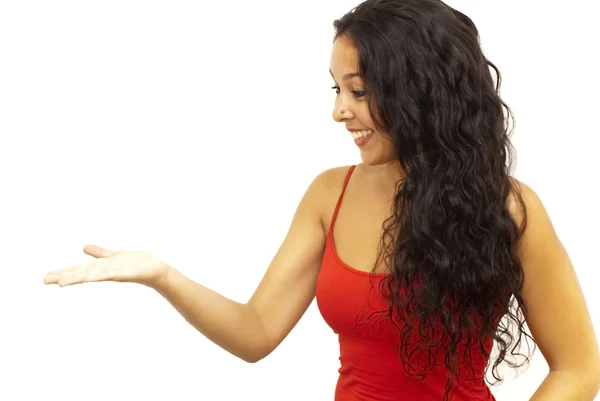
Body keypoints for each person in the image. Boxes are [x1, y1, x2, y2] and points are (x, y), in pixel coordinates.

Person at [43, 0, 600, 400]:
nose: (339, 111)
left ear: (420, 90)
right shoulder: (328, 193)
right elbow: (256, 331)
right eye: (336, 89)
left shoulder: (508, 209)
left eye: (359, 91)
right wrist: (163, 275)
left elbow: (579, 369)